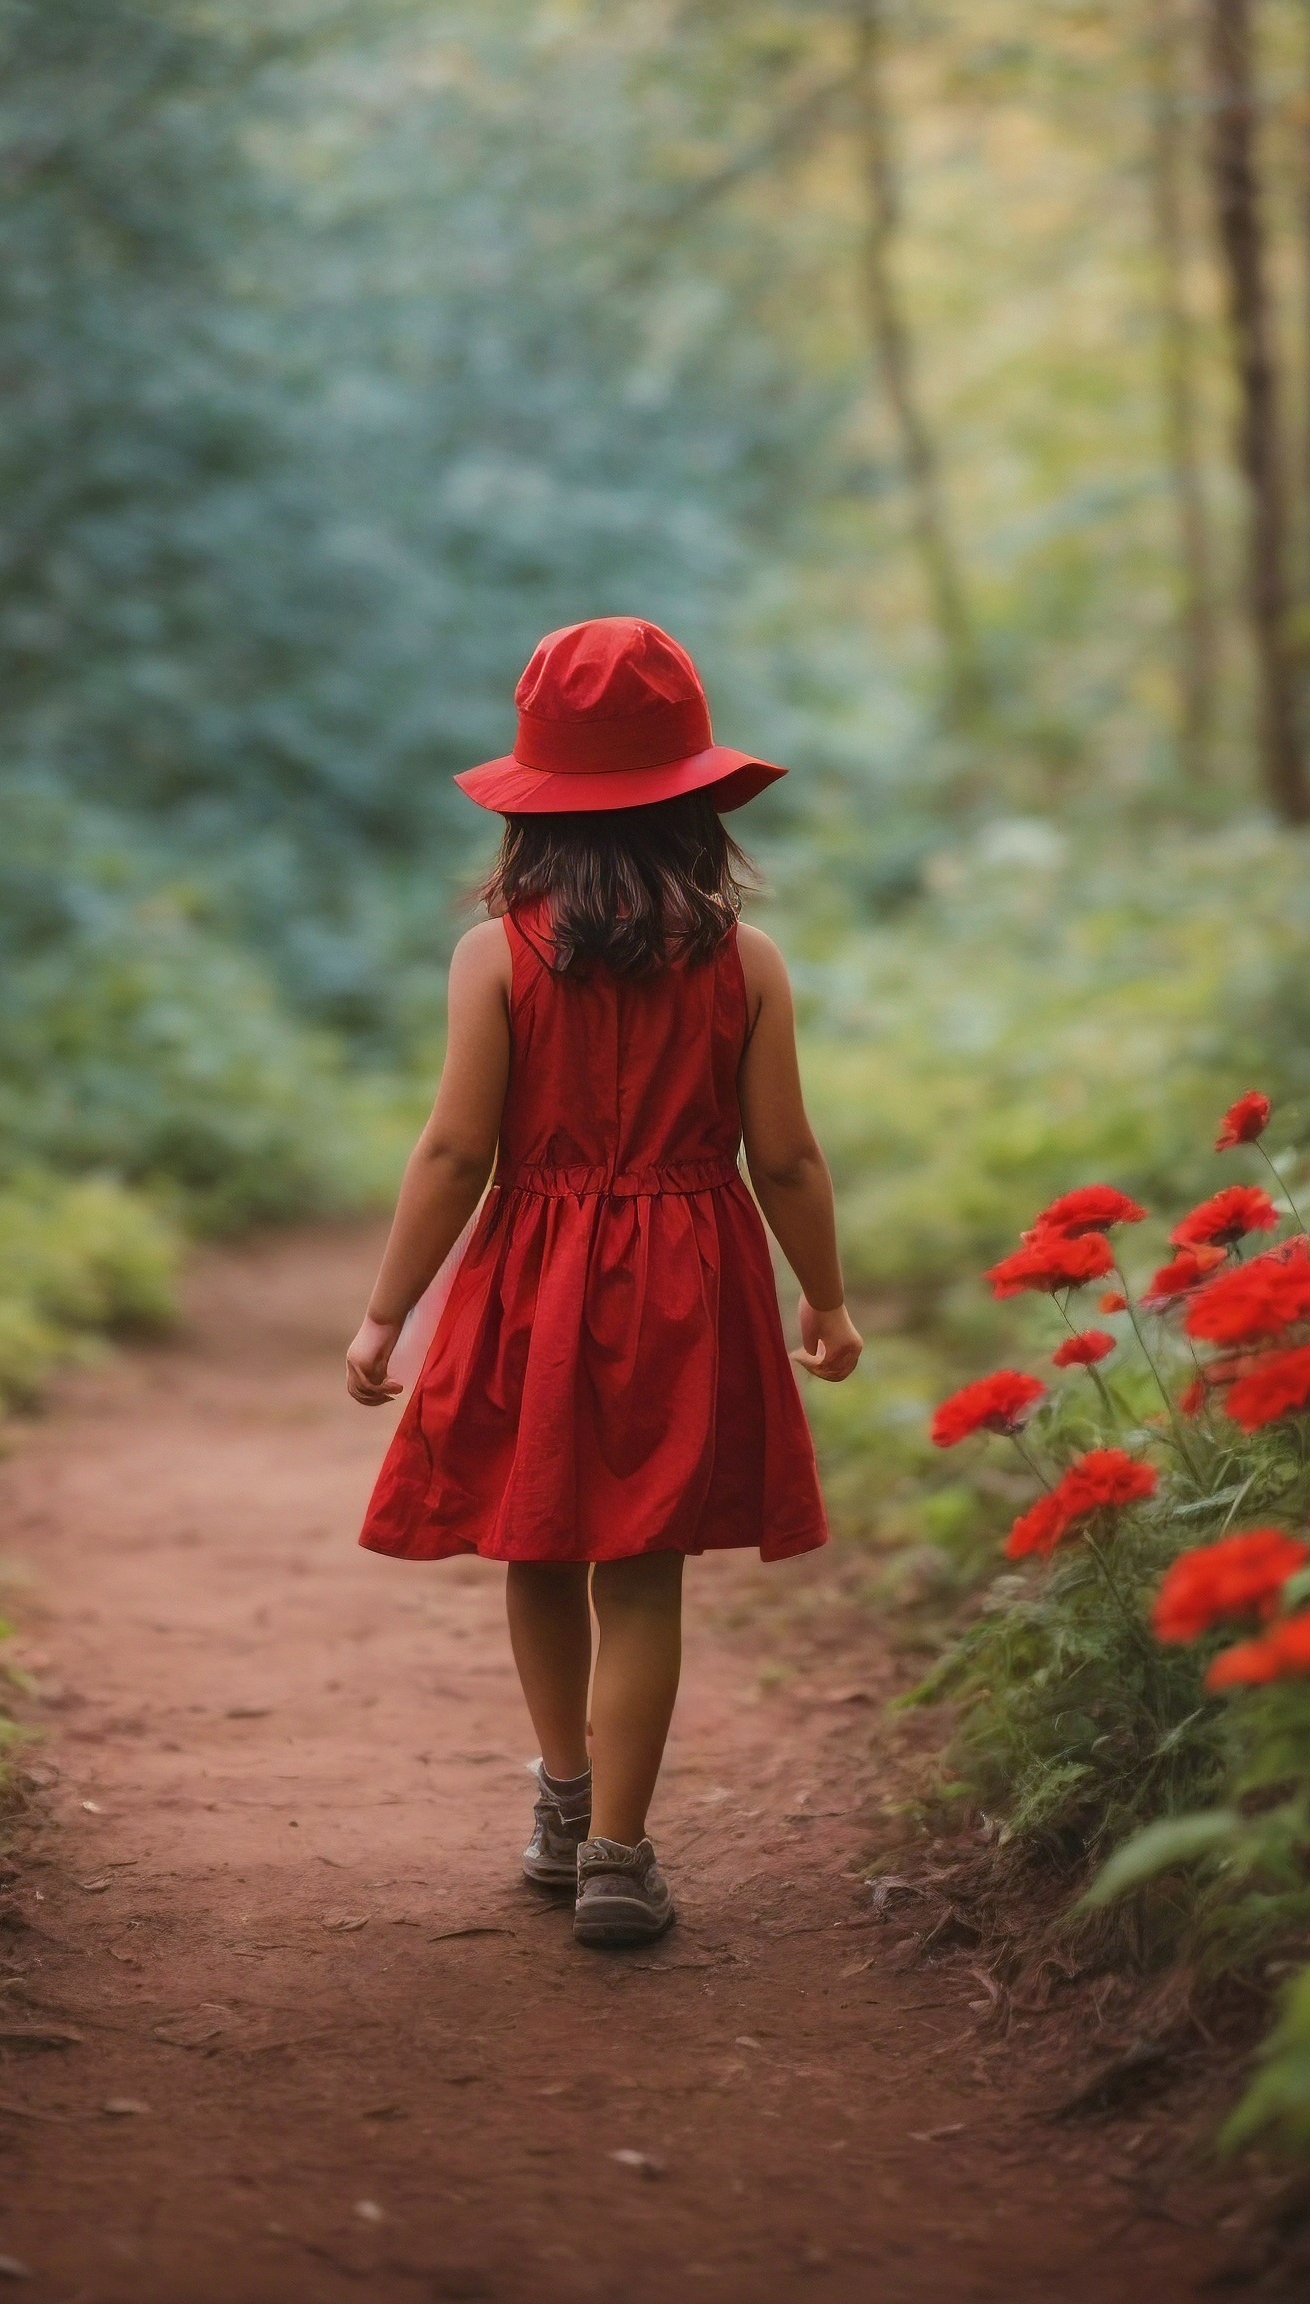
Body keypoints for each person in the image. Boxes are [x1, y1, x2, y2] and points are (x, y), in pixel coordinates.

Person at [344, 616, 860, 1950]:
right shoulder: (746, 965)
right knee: (644, 1569)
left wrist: (388, 1309)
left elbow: (457, 1149)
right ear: (700, 804)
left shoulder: (493, 957)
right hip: (691, 1276)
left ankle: (564, 1809)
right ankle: (624, 1855)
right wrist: (825, 1294)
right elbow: (786, 1156)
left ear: (533, 812)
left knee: (540, 1541)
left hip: (535, 1275)